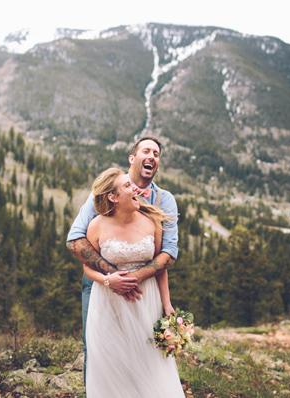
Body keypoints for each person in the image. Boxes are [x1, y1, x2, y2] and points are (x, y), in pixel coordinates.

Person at [67, 136, 179, 372]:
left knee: (144, 350)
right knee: (97, 349)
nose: (152, 157)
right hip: (101, 286)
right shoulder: (108, 190)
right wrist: (113, 277)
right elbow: (75, 240)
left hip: (144, 290)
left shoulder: (164, 200)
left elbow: (168, 253)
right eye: (146, 151)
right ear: (132, 158)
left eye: (156, 154)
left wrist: (135, 279)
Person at [81, 167, 183, 397]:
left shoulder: (152, 221)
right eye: (127, 186)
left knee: (149, 362)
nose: (136, 188)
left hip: (146, 302)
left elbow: (160, 266)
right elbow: (87, 267)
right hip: (108, 303)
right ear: (113, 197)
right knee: (112, 362)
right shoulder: (96, 225)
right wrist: (109, 281)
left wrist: (166, 305)